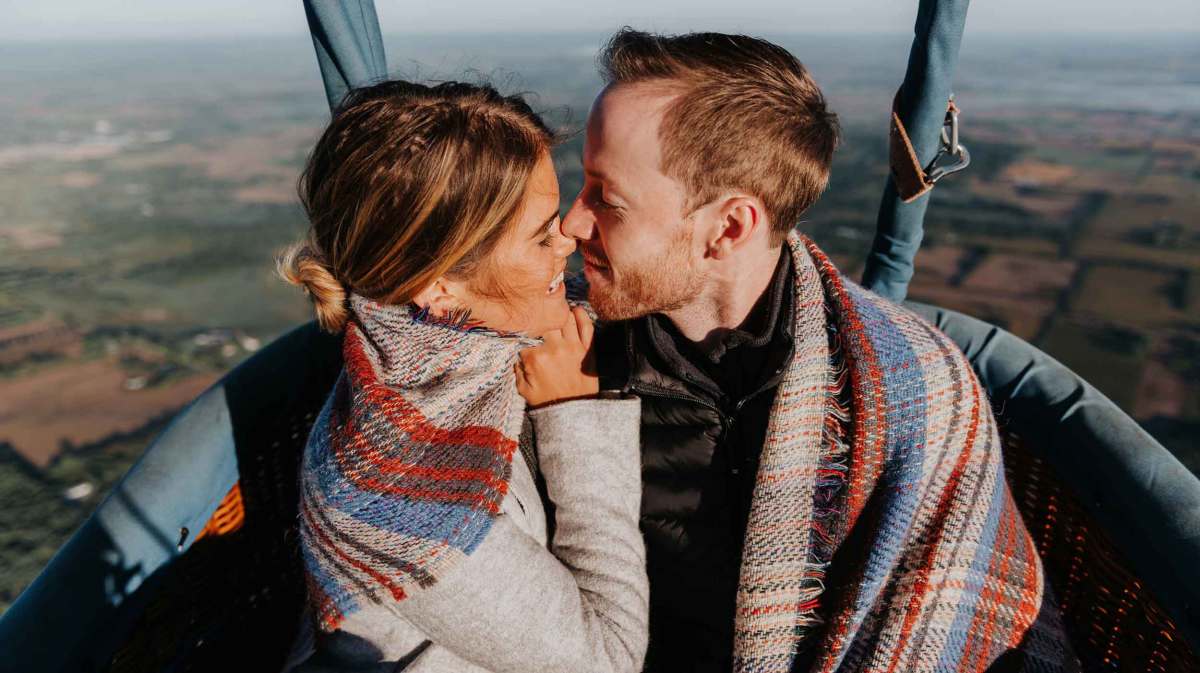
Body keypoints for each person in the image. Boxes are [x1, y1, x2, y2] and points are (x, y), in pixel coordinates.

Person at [563, 29, 1074, 672]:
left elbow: (941, 630)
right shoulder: (552, 347)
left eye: (605, 200)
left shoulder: (915, 390)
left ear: (728, 227)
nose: (570, 223)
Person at [277, 79, 648, 673]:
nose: (570, 237)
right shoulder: (398, 495)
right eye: (541, 231)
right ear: (440, 285)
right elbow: (608, 660)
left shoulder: (462, 348)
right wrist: (573, 417)